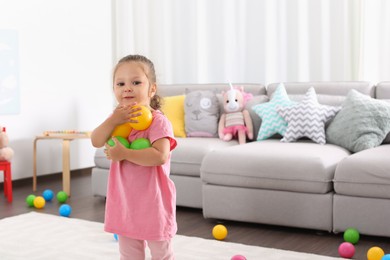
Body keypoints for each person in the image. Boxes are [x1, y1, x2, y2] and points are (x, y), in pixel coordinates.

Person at [91, 54, 177, 260]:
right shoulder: (117, 120)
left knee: (161, 253)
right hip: (124, 203)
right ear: (114, 90)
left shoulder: (158, 122)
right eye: (120, 83)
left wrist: (125, 153)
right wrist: (113, 120)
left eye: (136, 82)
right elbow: (96, 139)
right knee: (129, 255)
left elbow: (160, 156)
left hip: (153, 203)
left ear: (152, 89)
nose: (127, 88)